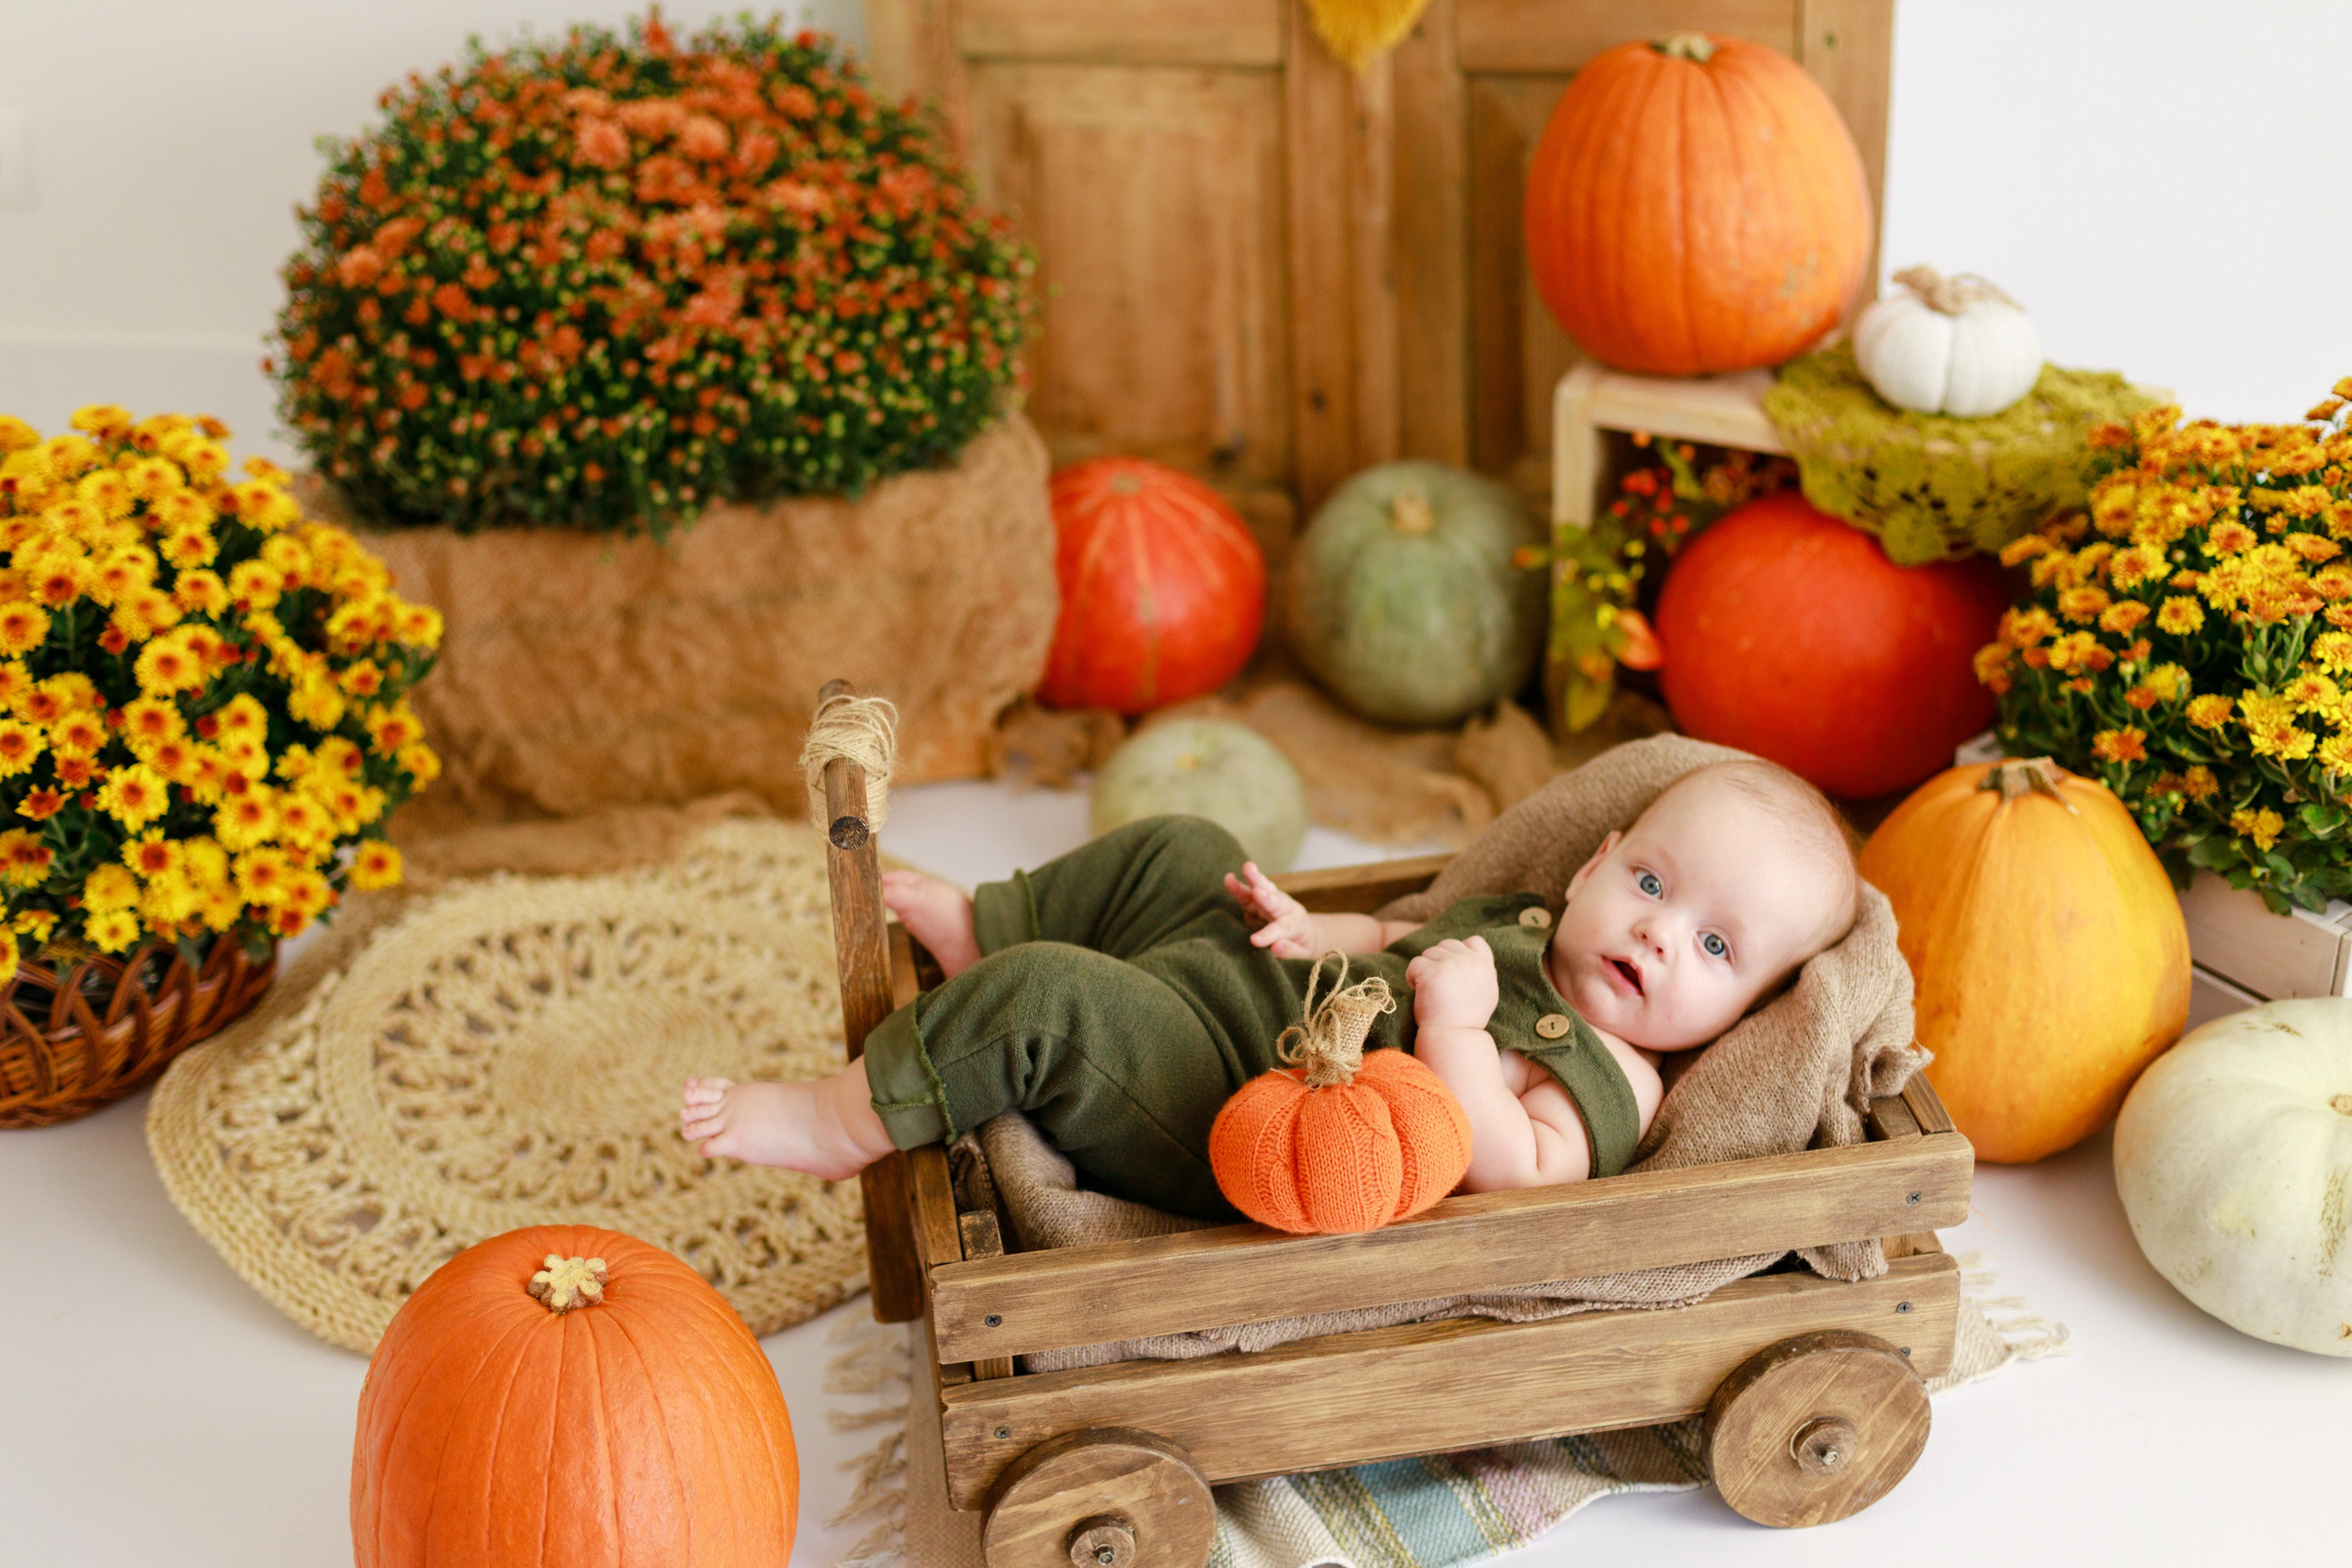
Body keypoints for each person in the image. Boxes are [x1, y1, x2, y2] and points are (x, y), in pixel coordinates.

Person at [680, 759, 1859, 1219]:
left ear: (1746, 1011)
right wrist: (1307, 924)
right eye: (1651, 881)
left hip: (1234, 1104)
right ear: (1598, 860)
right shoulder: (1530, 925)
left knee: (1052, 1006)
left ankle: (841, 1121)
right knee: (1182, 844)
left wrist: (1450, 1031)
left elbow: (1510, 1165)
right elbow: (1398, 932)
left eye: (1714, 949)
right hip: (1247, 989)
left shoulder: (1615, 1084)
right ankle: (989, 932)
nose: (1658, 934)